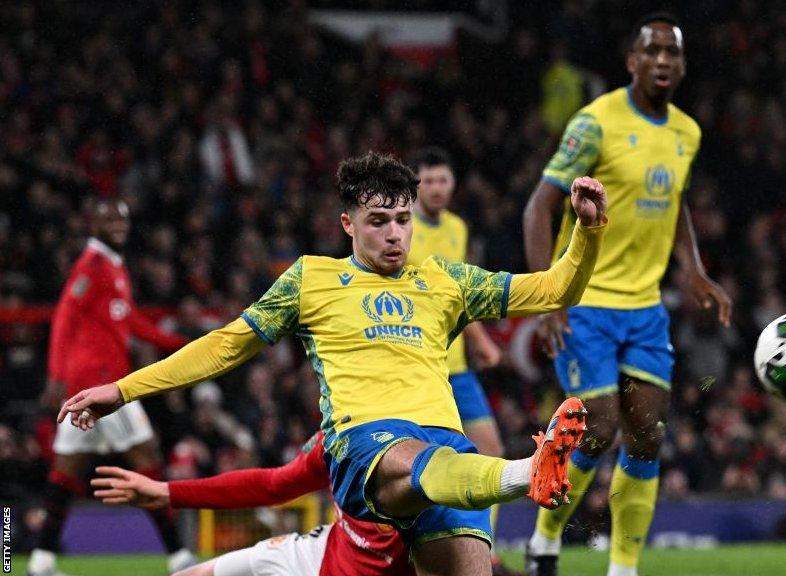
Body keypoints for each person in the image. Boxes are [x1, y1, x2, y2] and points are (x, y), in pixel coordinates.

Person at [59, 152, 608, 575]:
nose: (394, 234)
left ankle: (520, 474)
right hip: (366, 444)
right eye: (377, 221)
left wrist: (585, 231)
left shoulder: (446, 279)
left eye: (402, 219)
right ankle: (523, 472)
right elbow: (226, 344)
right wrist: (125, 389)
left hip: (447, 452)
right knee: (410, 457)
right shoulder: (310, 279)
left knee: (446, 486)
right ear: (348, 224)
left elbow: (554, 288)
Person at [521, 13, 731, 576]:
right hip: (585, 301)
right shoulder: (595, 122)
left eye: (672, 52)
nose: (662, 60)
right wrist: (548, 298)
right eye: (651, 51)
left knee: (646, 437)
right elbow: (538, 207)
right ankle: (545, 535)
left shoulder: (687, 131)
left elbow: (676, 198)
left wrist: (692, 266)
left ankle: (623, 568)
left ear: (682, 66)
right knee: (602, 425)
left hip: (644, 307)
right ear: (632, 61)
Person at [28, 198, 197, 576]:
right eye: (110, 220)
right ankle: (178, 556)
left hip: (94, 384)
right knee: (148, 459)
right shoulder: (92, 265)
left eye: (123, 219)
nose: (119, 225)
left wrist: (177, 345)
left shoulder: (113, 265)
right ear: (94, 224)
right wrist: (56, 376)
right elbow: (64, 317)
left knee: (64, 473)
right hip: (102, 385)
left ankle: (40, 560)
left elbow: (130, 320)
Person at [406, 147, 520, 575]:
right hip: (421, 367)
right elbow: (437, 292)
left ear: (453, 185)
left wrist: (478, 341)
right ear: (416, 186)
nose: (436, 188)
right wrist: (483, 339)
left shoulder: (456, 228)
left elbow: (460, 291)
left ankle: (483, 551)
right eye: (428, 181)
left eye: (443, 180)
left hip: (458, 368)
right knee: (423, 466)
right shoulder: (404, 230)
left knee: (489, 452)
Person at [91, 431, 414, 576]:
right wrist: (166, 491)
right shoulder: (337, 440)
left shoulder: (429, 471)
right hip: (320, 554)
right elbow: (272, 485)